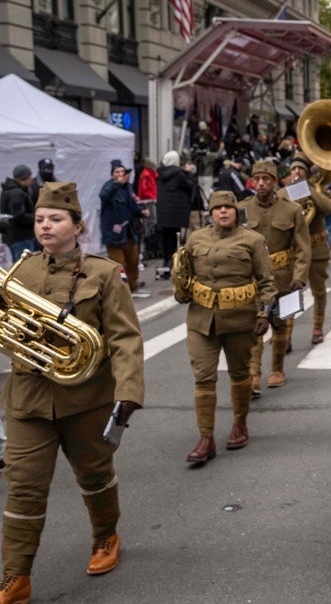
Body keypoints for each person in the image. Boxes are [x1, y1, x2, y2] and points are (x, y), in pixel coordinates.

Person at [0, 182, 145, 602]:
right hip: (28, 398)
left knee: (95, 475)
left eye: (56, 219)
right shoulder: (20, 271)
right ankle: (16, 576)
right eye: (40, 219)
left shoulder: (102, 273)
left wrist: (129, 391)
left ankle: (105, 537)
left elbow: (125, 338)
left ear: (77, 226)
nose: (45, 225)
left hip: (86, 399)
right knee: (24, 486)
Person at [175, 191, 276, 464]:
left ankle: (239, 424)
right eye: (217, 208)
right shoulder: (196, 239)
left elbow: (266, 282)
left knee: (240, 374)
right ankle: (206, 438)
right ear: (211, 212)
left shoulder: (253, 241)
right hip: (201, 320)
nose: (223, 212)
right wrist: (179, 288)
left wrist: (265, 313)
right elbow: (185, 273)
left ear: (236, 211)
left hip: (240, 320)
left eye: (228, 208)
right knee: (204, 377)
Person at [240, 160, 311, 394]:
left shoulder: (291, 210)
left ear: (274, 181)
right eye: (257, 179)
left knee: (280, 325)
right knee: (254, 326)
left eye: (266, 179)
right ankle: (253, 375)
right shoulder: (242, 209)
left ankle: (278, 369)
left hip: (283, 276)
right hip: (252, 278)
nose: (261, 184)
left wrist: (299, 276)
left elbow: (303, 246)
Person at [279, 153, 331, 345]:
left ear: (306, 171)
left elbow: (329, 207)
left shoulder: (318, 189)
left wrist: (309, 191)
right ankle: (286, 333)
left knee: (319, 291)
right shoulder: (282, 193)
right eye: (294, 168)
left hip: (316, 248)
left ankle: (318, 328)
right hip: (293, 251)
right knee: (290, 292)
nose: (296, 171)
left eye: (300, 168)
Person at [99, 160, 150, 297]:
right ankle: (120, 290)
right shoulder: (109, 187)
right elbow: (104, 196)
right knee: (118, 264)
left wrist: (141, 212)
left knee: (133, 260)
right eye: (117, 172)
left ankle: (133, 286)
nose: (121, 174)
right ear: (112, 175)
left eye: (123, 172)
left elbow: (133, 205)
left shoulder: (128, 188)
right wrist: (116, 183)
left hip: (128, 231)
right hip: (113, 233)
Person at [156, 151, 197, 269]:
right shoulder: (179, 174)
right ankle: (173, 261)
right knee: (175, 237)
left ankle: (165, 260)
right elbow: (190, 185)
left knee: (165, 236)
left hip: (163, 210)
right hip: (176, 210)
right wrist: (189, 173)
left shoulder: (161, 174)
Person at [1, 165, 37, 260]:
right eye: (29, 177)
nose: (31, 179)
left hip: (14, 236)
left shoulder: (9, 191)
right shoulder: (16, 194)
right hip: (20, 237)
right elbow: (18, 216)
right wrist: (37, 218)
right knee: (25, 268)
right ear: (24, 178)